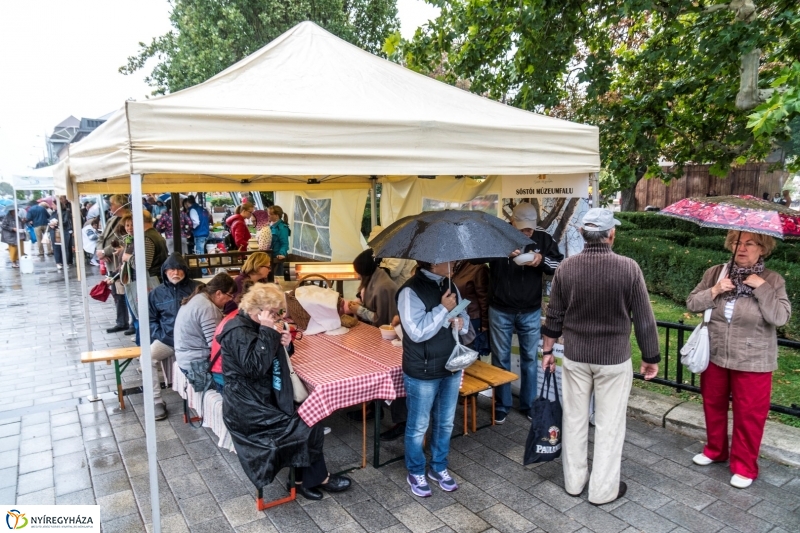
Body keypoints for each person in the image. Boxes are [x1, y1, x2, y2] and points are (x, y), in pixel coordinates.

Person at [541, 208, 660, 505]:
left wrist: (546, 350)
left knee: (575, 419)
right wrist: (651, 356)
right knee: (609, 425)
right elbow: (644, 319)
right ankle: (602, 491)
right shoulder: (629, 268)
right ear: (611, 235)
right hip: (614, 359)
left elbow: (553, 316)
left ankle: (573, 483)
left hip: (576, 356)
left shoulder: (566, 269)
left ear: (582, 234)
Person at [218, 283, 352, 500]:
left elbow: (270, 359)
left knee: (311, 418)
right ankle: (310, 479)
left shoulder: (252, 325)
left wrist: (286, 345)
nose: (277, 316)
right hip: (248, 411)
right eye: (273, 312)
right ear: (257, 310)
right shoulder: (237, 331)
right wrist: (268, 332)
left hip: (263, 399)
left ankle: (303, 480)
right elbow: (255, 368)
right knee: (308, 425)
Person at [687, 231, 791, 488]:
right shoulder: (715, 273)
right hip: (716, 353)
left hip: (753, 359)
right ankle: (715, 449)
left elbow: (780, 318)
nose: (741, 248)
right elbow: (692, 303)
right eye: (736, 242)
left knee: (750, 414)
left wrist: (762, 288)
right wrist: (715, 289)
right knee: (713, 404)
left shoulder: (772, 279)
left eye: (750, 243)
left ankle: (745, 465)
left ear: (762, 248)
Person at [483, 201, 563, 423]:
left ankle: (528, 404)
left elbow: (559, 264)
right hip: (500, 307)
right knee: (501, 358)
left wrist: (542, 260)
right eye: (523, 228)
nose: (528, 232)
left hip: (530, 309)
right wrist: (501, 252)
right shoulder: (499, 235)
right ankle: (502, 405)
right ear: (512, 222)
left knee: (530, 357)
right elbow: (475, 259)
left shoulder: (543, 238)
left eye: (530, 228)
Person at [397, 261, 470, 497]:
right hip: (423, 369)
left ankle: (438, 466)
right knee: (418, 426)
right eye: (448, 259)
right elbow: (416, 333)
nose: (453, 263)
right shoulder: (410, 291)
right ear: (433, 261)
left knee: (446, 421)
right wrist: (442, 309)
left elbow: (464, 317)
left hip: (451, 364)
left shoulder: (450, 285)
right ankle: (416, 469)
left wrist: (459, 322)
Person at [345, 248, 404, 438]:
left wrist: (360, 310)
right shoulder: (372, 279)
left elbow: (383, 318)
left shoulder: (384, 286)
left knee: (393, 375)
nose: (357, 275)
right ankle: (372, 407)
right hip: (374, 335)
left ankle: (402, 421)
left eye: (358, 272)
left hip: (390, 339)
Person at [148, 253, 200, 420]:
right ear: (164, 272)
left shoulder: (197, 289)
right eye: (171, 270)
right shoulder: (156, 293)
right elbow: (150, 319)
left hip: (193, 341)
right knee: (146, 358)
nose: (175, 273)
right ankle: (156, 401)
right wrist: (160, 335)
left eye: (179, 269)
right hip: (167, 340)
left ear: (185, 270)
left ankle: (200, 400)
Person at [174, 273, 237, 375]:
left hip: (185, 358)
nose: (231, 299)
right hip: (196, 364)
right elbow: (216, 344)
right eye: (230, 295)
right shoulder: (208, 307)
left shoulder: (199, 297)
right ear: (218, 293)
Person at [452, 260, 490, 356]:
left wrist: (485, 324)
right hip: (457, 317)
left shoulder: (478, 267)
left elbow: (484, 298)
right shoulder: (453, 266)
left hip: (473, 319)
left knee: (471, 355)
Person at [186, 194, 211, 270]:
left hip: (199, 233)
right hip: (205, 232)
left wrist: (190, 228)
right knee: (201, 251)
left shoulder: (193, 209)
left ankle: (203, 271)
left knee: (200, 253)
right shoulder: (202, 208)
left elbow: (196, 222)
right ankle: (204, 269)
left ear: (188, 202)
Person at [49, 196, 74, 270]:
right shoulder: (53, 213)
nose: (52, 206)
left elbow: (65, 222)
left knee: (65, 247)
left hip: (64, 231)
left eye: (53, 204)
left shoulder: (65, 212)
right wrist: (51, 224)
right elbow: (49, 220)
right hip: (55, 232)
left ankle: (65, 262)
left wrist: (56, 223)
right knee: (56, 247)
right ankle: (58, 262)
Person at [268, 205, 290, 279]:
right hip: (271, 257)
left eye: (270, 214)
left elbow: (284, 243)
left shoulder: (282, 228)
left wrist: (281, 254)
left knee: (278, 280)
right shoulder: (271, 226)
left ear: (277, 216)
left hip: (278, 259)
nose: (268, 216)